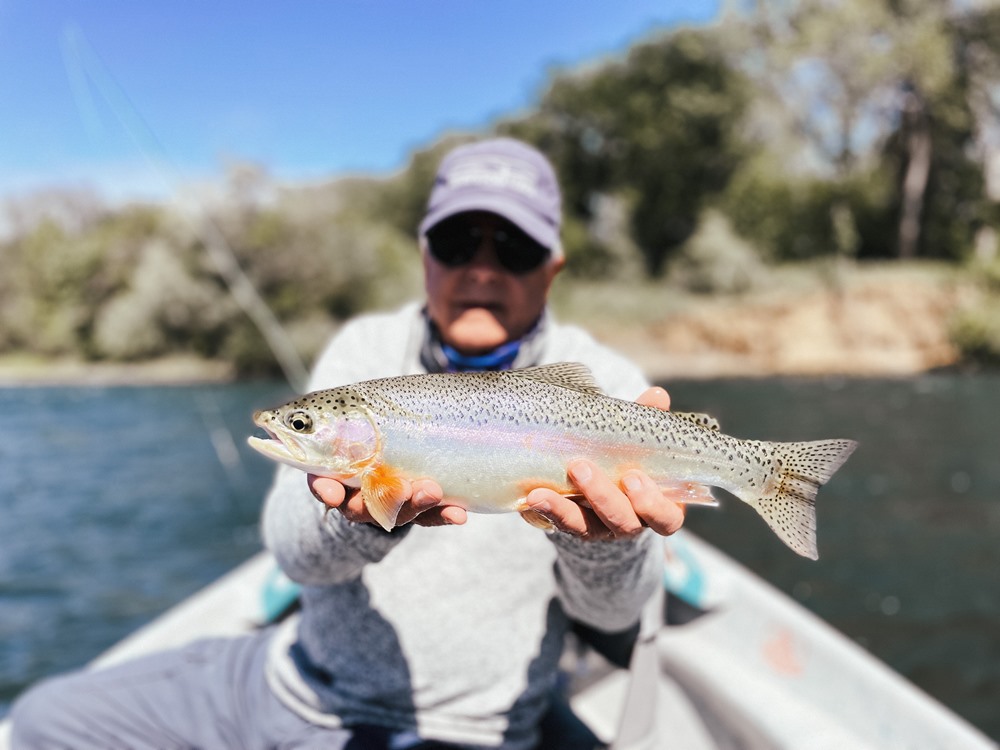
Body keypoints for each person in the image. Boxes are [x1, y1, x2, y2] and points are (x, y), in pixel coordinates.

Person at [10, 138, 685, 750]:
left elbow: (618, 612)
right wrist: (353, 525)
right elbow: (292, 552)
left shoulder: (611, 390)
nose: (482, 270)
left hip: (467, 729)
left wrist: (603, 545)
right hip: (296, 680)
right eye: (457, 244)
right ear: (426, 257)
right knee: (42, 722)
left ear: (552, 268)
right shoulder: (367, 350)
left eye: (513, 249)